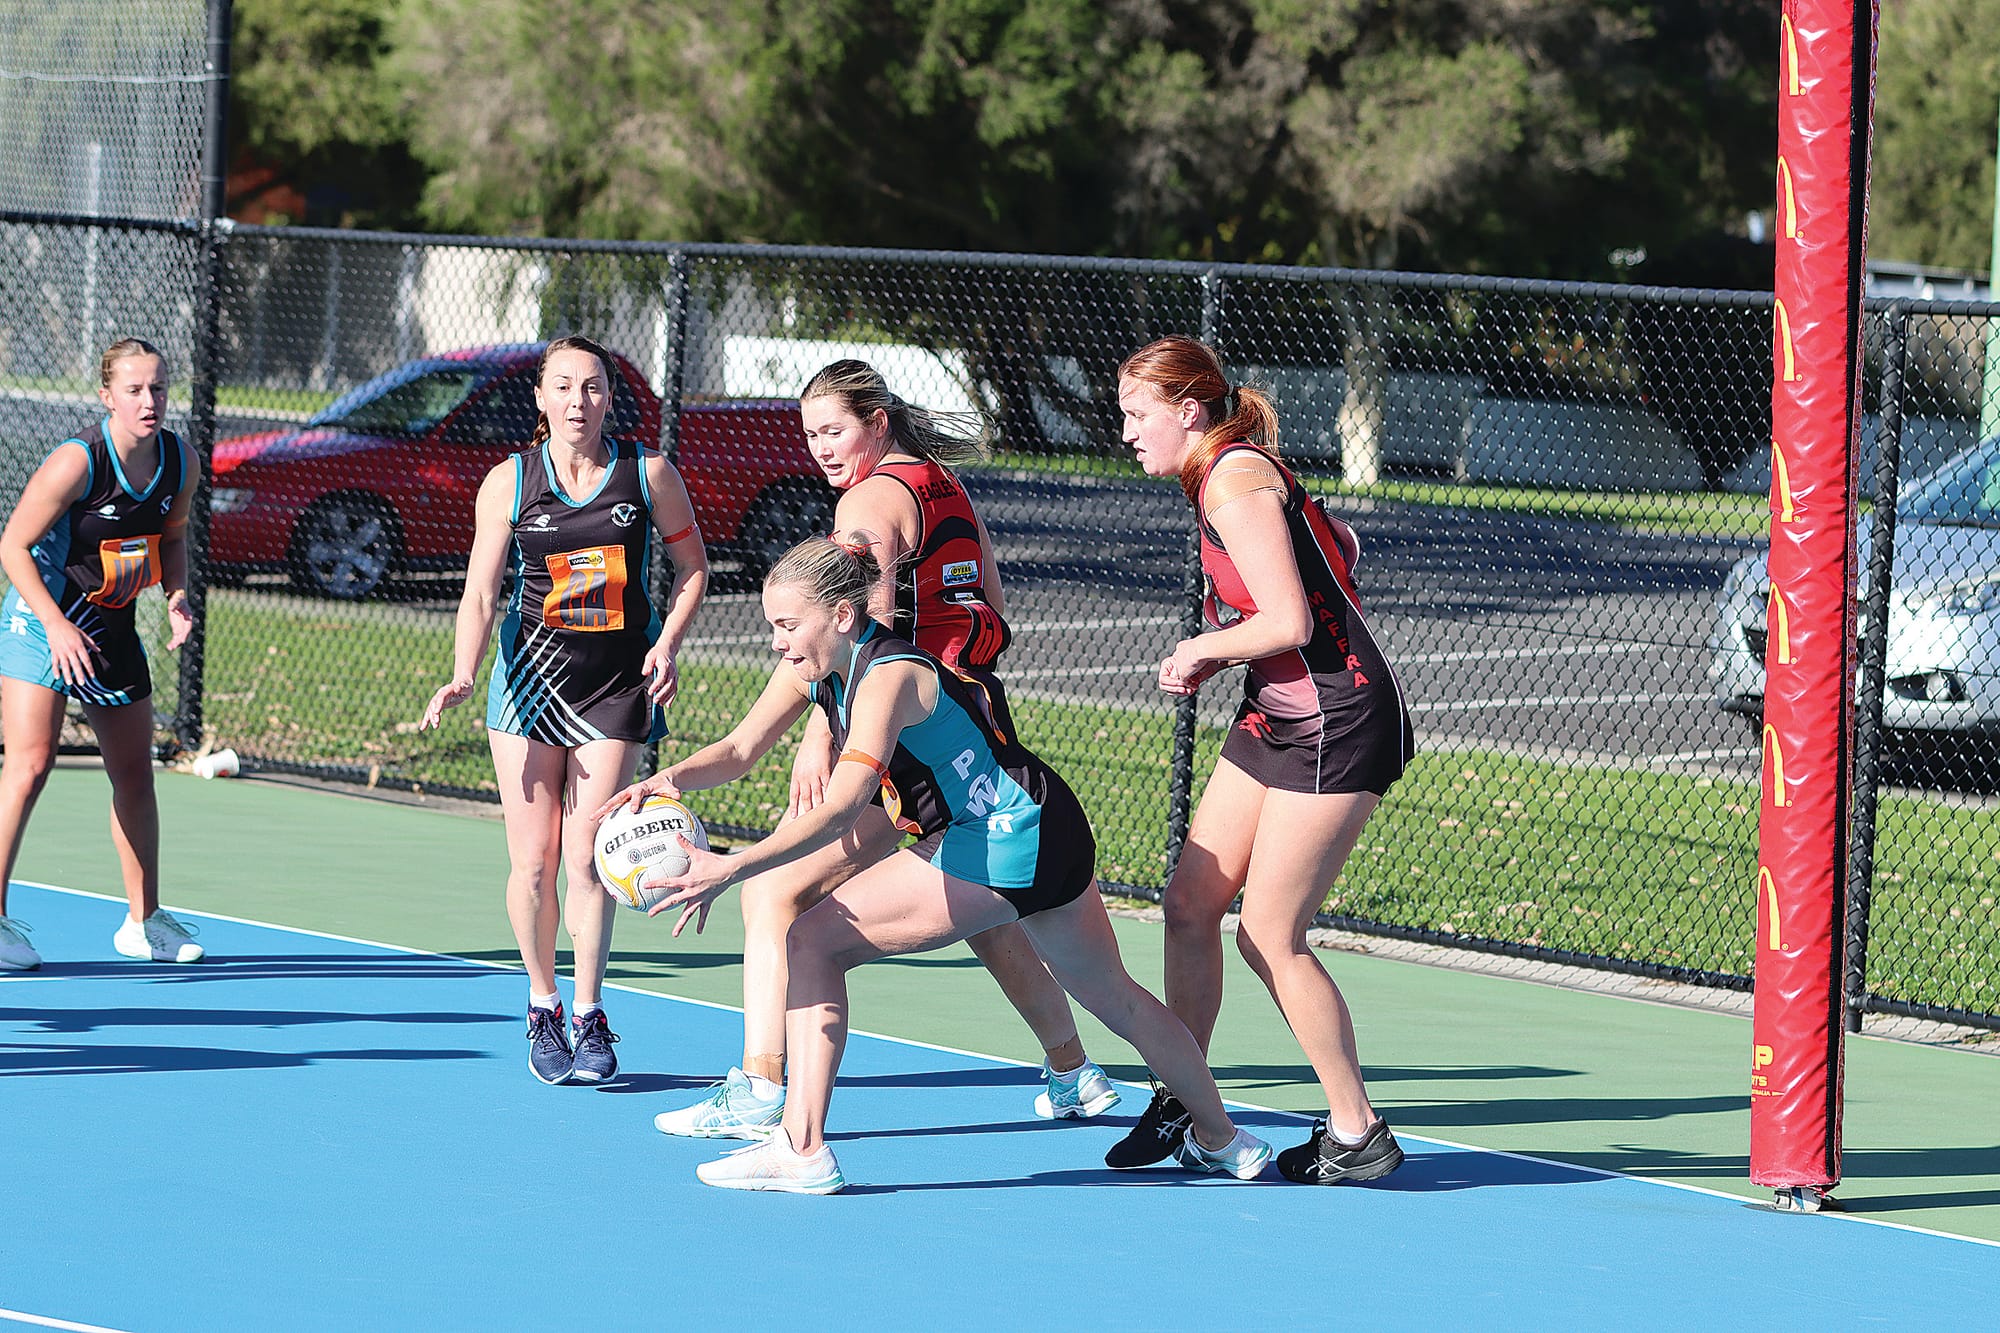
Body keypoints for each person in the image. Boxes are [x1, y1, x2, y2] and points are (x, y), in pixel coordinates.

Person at [598, 536, 1271, 1194]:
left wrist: (732, 865)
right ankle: (1224, 1139)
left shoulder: (886, 677)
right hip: (1044, 815)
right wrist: (670, 782)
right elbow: (742, 746)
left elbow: (841, 809)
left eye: (786, 623)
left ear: (839, 614)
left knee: (811, 940)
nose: (776, 638)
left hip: (997, 838)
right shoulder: (814, 665)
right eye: (771, 623)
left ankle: (800, 1148)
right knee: (1117, 995)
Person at [651, 360, 1116, 1140]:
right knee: (985, 914)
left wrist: (819, 738)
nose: (821, 449)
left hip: (904, 738)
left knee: (772, 895)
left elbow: (853, 635)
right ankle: (1074, 1070)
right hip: (968, 724)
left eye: (834, 429)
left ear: (877, 420)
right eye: (809, 434)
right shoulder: (940, 484)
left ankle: (763, 1087)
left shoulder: (866, 504)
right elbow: (990, 613)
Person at [1105, 334, 1414, 1186]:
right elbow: (1340, 548)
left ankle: (1359, 1133)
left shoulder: (1234, 481)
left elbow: (1291, 623)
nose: (1126, 431)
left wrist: (1206, 645)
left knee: (1271, 936)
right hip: (1278, 709)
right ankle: (1184, 1091)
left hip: (1338, 718)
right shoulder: (1233, 474)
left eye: (1138, 415)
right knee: (1189, 903)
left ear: (1188, 412)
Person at [420, 335, 707, 1085]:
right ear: (541, 400)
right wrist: (461, 669)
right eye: (564, 387)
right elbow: (482, 590)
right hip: (525, 687)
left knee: (587, 856)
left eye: (593, 387)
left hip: (614, 688)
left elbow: (693, 567)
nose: (579, 401)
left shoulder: (647, 473)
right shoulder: (510, 481)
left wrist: (668, 643)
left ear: (611, 398)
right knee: (536, 860)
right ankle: (542, 1004)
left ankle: (590, 1012)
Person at [0, 339, 205, 970]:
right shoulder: (76, 461)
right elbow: (13, 545)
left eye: (160, 388)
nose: (150, 401)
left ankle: (144, 923)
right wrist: (57, 626)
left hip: (110, 627)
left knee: (134, 773)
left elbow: (172, 537)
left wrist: (176, 596)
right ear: (107, 395)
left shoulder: (179, 461)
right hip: (42, 624)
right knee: (31, 767)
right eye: (136, 389)